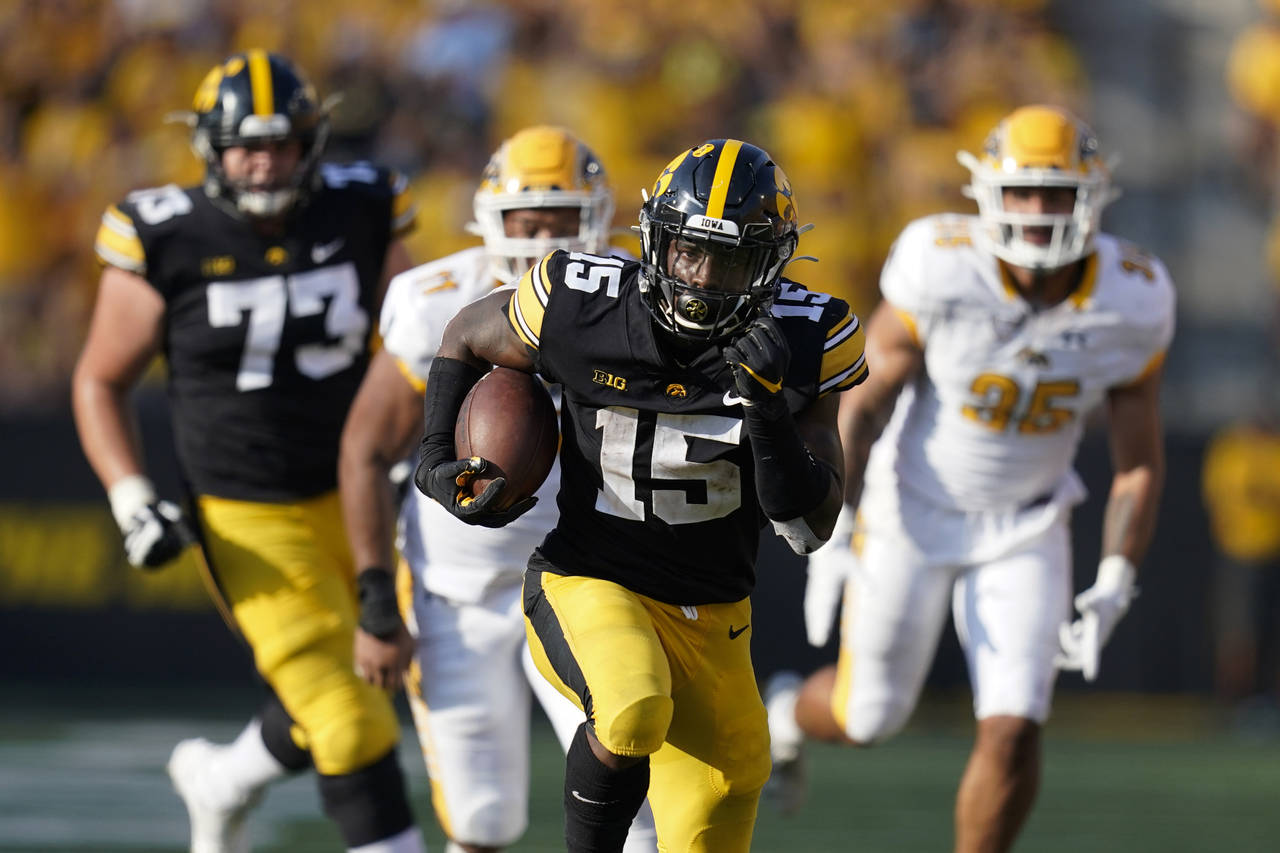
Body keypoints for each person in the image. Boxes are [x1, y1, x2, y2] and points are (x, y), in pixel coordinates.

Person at [407, 138, 867, 852]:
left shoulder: (807, 337)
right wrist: (436, 456)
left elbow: (809, 526)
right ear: (655, 238)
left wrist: (770, 411)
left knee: (731, 785)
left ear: (771, 264)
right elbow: (468, 332)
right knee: (631, 706)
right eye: (687, 251)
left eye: (731, 259)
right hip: (591, 577)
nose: (702, 279)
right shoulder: (582, 301)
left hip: (716, 611)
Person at [765, 105, 1175, 852]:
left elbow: (1137, 459)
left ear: (1092, 197)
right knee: (868, 717)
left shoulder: (1134, 295)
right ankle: (787, 714)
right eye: (1022, 191)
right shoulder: (942, 264)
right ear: (988, 194)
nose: (1039, 210)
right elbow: (864, 401)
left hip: (1028, 521)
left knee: (1015, 723)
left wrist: (1118, 572)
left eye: (1055, 192)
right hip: (912, 505)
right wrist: (840, 521)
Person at [71, 51, 426, 853]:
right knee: (346, 714)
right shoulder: (164, 232)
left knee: (384, 677)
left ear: (312, 142)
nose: (263, 161)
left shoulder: (365, 207)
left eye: (281, 143)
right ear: (210, 148)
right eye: (243, 145)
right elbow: (99, 379)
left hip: (362, 487)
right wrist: (130, 496)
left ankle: (223, 778)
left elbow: (413, 345)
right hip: (247, 510)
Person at [339, 124, 658, 853]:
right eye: (527, 220)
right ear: (490, 218)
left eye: (563, 219)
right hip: (457, 591)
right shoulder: (435, 301)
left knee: (635, 797)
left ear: (598, 218)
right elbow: (362, 449)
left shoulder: (627, 298)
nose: (545, 239)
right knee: (481, 820)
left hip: (583, 579)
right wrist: (377, 602)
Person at [1202, 409, 1280, 725]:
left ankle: (1266, 703)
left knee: (1270, 635)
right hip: (1240, 553)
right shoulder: (1230, 450)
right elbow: (1225, 495)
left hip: (1274, 552)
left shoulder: (1273, 451)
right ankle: (1235, 703)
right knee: (1239, 632)